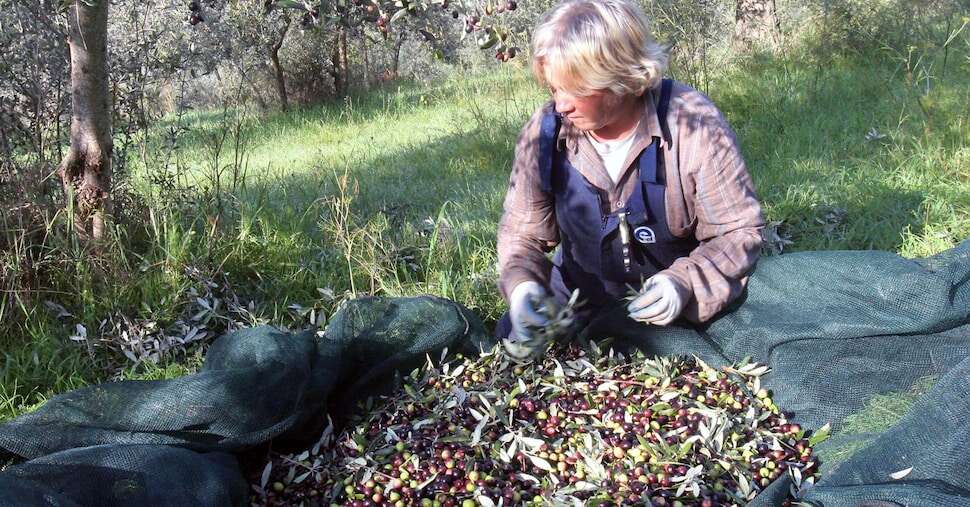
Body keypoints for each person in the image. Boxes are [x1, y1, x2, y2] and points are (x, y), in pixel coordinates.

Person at [495, 0, 764, 347]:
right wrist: (523, 288)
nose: (561, 104)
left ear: (620, 78)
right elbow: (521, 235)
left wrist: (683, 284)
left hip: (673, 315)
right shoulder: (546, 131)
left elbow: (738, 233)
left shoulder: (692, 125)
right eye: (554, 88)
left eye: (576, 90)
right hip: (577, 308)